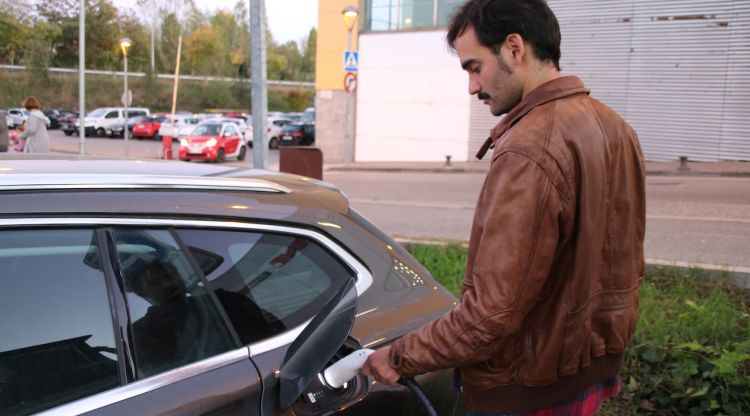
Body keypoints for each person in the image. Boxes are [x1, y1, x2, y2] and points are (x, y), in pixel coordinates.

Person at [361, 1, 646, 415]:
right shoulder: (616, 128)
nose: (472, 87)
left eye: (474, 67)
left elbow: (491, 315)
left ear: (514, 48)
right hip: (586, 370)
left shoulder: (529, 149)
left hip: (526, 387)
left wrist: (398, 356)